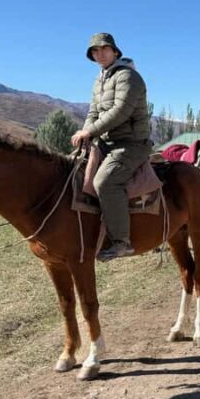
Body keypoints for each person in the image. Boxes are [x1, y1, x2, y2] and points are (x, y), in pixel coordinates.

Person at [70, 32, 151, 262]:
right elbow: (93, 113)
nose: (99, 54)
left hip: (131, 144)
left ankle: (121, 241)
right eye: (95, 51)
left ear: (115, 51)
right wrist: (85, 134)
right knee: (71, 169)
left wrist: (90, 131)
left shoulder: (129, 77)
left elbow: (120, 111)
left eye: (104, 49)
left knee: (104, 182)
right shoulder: (99, 81)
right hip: (105, 143)